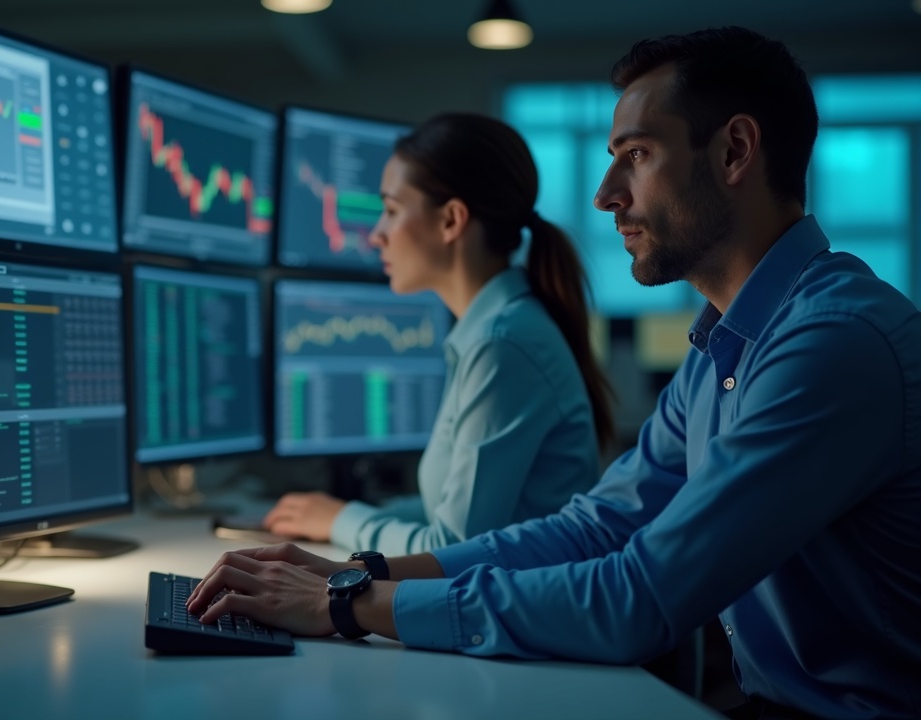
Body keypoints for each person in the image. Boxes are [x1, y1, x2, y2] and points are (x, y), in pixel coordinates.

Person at [189, 26, 921, 720]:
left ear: (734, 152)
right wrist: (359, 573)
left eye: (635, 154)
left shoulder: (831, 347)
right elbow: (594, 529)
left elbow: (640, 597)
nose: (605, 195)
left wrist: (348, 604)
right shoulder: (723, 351)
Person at [261, 112, 614, 555]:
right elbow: (444, 510)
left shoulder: (502, 344)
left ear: (451, 221)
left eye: (390, 211)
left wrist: (342, 520)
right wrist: (343, 514)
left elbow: (452, 548)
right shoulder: (495, 329)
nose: (376, 235)